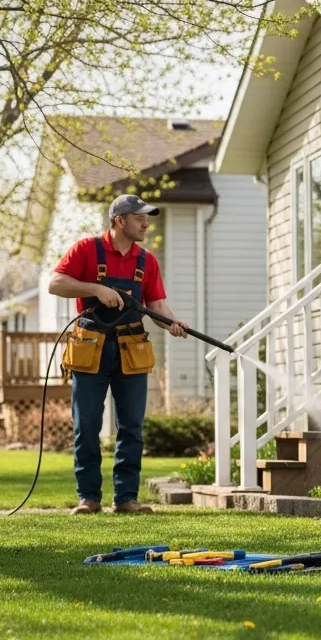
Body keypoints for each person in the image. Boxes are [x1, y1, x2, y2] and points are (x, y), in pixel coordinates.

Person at [48, 194, 189, 514]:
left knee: (131, 426)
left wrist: (172, 323)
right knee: (87, 425)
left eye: (147, 218)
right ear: (118, 221)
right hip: (90, 348)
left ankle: (126, 498)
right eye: (139, 218)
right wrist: (96, 289)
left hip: (131, 348)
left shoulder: (147, 260)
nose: (145, 223)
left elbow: (155, 306)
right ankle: (88, 498)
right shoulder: (86, 249)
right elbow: (56, 283)